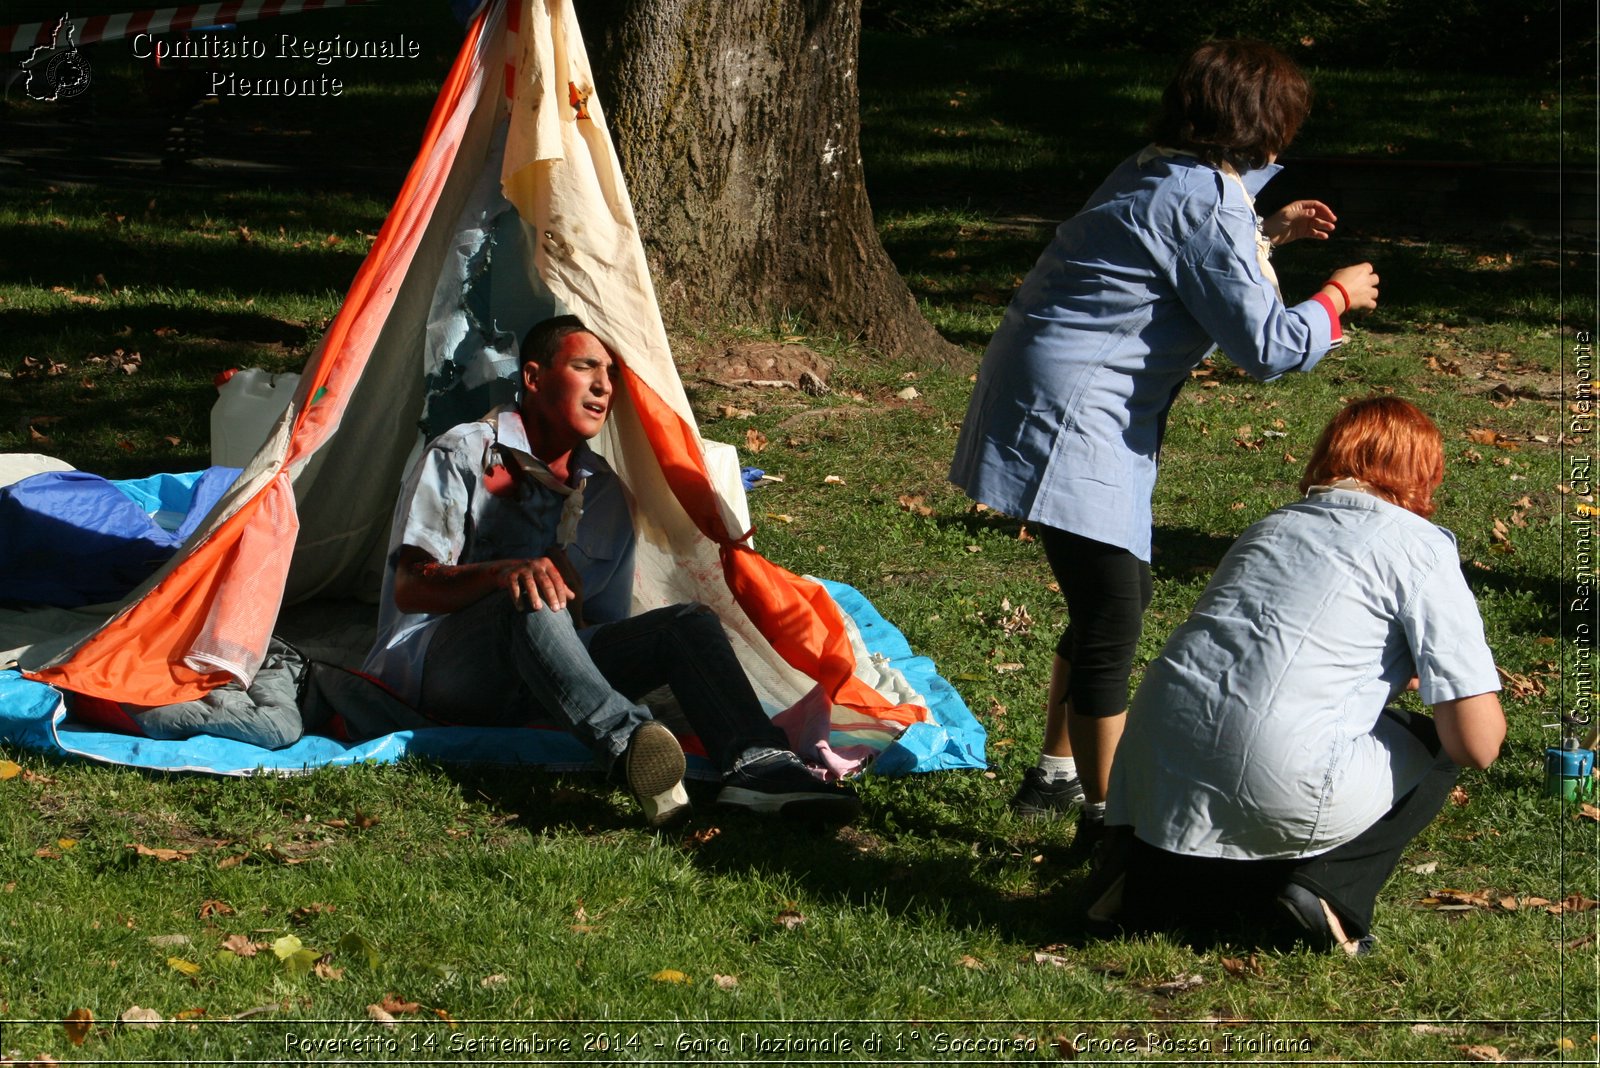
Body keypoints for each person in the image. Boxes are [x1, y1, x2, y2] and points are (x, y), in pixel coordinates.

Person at [948, 39, 1381, 854]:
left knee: (1107, 598)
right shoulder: (1204, 202)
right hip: (1074, 413)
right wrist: (1335, 297)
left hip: (1060, 395)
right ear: (1260, 128)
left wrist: (1267, 230)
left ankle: (1055, 775)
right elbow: (1269, 347)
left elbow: (1197, 250)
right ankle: (1111, 832)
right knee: (1113, 609)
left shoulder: (1158, 167)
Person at [363, 315, 860, 827]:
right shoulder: (462, 453)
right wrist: (503, 573)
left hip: (549, 678)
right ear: (533, 378)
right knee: (531, 590)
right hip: (446, 672)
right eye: (585, 367)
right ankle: (633, 750)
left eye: (611, 373)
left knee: (685, 624)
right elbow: (411, 585)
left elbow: (598, 626)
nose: (604, 386)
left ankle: (760, 766)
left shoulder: (603, 493)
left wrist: (572, 608)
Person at [1097, 397, 1505, 954]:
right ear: (1421, 475)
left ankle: (1144, 873)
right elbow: (1477, 742)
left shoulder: (1273, 526)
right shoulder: (1420, 547)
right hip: (1275, 770)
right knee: (1437, 744)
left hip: (1148, 767)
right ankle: (1330, 893)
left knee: (1241, 753)